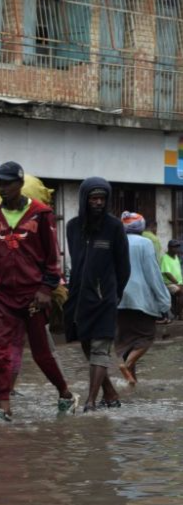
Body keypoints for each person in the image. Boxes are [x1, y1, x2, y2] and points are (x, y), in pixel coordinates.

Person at [0, 161, 77, 422]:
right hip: (3, 296)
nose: (2, 188)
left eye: (7, 183)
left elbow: (51, 258)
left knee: (41, 353)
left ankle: (65, 393)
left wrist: (47, 288)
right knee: (0, 352)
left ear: (20, 184)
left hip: (34, 296)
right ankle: (3, 407)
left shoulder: (41, 214)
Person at [64, 177, 130, 413]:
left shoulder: (114, 227)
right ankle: (110, 393)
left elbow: (124, 266)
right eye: (94, 198)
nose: (99, 202)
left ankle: (91, 402)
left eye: (102, 198)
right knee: (86, 346)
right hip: (79, 298)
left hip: (105, 298)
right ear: (85, 199)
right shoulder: (72, 227)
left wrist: (113, 293)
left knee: (100, 349)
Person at [116, 212, 171, 386]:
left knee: (126, 339)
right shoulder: (145, 243)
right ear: (141, 227)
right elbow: (153, 274)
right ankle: (127, 365)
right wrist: (164, 302)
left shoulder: (117, 242)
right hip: (140, 298)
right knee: (146, 336)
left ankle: (132, 382)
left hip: (118, 298)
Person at [160, 240, 183, 319]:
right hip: (168, 283)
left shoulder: (176, 257)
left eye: (177, 247)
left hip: (178, 282)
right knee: (181, 292)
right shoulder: (165, 258)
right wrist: (177, 283)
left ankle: (177, 312)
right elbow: (167, 273)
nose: (176, 249)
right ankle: (179, 314)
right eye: (174, 247)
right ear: (169, 248)